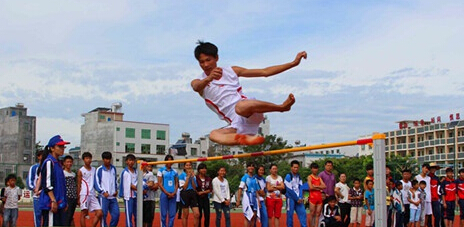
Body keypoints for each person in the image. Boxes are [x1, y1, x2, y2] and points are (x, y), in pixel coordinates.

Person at [191, 41, 307, 146]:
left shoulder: (231, 71)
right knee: (213, 135)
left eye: (208, 60)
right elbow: (196, 87)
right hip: (235, 125)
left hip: (249, 112)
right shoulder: (200, 82)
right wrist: (209, 78)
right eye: (201, 62)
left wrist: (293, 63)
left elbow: (264, 72)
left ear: (216, 58)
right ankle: (244, 139)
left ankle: (281, 107)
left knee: (241, 106)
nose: (205, 65)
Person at [39, 135, 69, 226]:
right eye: (59, 146)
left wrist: (64, 201)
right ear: (52, 148)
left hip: (59, 202)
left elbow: (61, 185)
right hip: (51, 204)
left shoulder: (58, 163)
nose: (62, 148)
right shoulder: (49, 162)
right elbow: (47, 184)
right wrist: (53, 201)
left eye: (63, 146)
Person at [94, 151, 120, 227]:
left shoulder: (113, 169)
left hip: (112, 197)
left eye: (109, 159)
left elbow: (115, 180)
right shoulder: (99, 170)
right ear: (103, 159)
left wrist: (116, 190)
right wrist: (102, 192)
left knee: (116, 214)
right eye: (106, 159)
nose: (108, 161)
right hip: (103, 197)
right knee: (103, 215)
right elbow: (96, 183)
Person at [78, 152, 103, 227]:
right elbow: (79, 184)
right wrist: (78, 197)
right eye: (86, 158)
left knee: (99, 213)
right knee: (84, 213)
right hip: (84, 194)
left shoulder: (94, 169)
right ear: (83, 160)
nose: (88, 160)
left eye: (89, 158)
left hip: (92, 194)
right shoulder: (81, 170)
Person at [284, 160, 307, 227]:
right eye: (294, 167)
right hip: (291, 198)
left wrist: (300, 197)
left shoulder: (299, 176)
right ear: (291, 167)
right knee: (290, 215)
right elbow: (289, 189)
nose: (296, 169)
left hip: (298, 198)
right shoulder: (288, 176)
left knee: (303, 213)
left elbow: (301, 187)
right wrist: (296, 198)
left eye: (297, 167)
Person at [157, 155, 179, 227]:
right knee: (163, 213)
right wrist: (166, 192)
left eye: (171, 160)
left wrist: (174, 192)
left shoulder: (175, 171)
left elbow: (176, 182)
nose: (169, 162)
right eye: (168, 160)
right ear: (165, 161)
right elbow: (159, 183)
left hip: (173, 194)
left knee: (172, 214)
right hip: (164, 194)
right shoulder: (161, 170)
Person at [237, 162, 260, 227]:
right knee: (247, 216)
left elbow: (257, 190)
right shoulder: (245, 177)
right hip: (247, 198)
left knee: (253, 216)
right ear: (247, 168)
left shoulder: (255, 178)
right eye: (249, 166)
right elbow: (240, 188)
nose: (251, 167)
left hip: (254, 198)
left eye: (252, 166)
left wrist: (258, 201)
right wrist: (238, 200)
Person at [179, 161, 200, 227]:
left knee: (197, 214)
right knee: (185, 215)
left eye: (190, 165)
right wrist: (188, 177)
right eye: (187, 165)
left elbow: (194, 187)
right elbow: (184, 187)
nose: (188, 166)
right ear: (184, 167)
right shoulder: (181, 175)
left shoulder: (194, 176)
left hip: (193, 194)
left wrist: (192, 178)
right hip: (185, 194)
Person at [119, 154, 137, 227]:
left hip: (136, 196)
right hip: (128, 196)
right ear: (126, 162)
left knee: (137, 215)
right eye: (130, 160)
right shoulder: (125, 172)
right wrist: (138, 188)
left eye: (133, 160)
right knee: (129, 215)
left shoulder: (136, 171)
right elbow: (129, 185)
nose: (131, 162)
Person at [26, 150, 43, 227]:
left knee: (47, 215)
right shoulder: (34, 168)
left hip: (46, 194)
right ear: (38, 157)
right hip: (37, 196)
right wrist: (35, 190)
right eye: (41, 155)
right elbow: (29, 181)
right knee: (38, 215)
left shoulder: (49, 167)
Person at [308, 162, 325, 227]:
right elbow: (311, 187)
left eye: (316, 168)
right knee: (312, 214)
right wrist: (319, 187)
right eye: (314, 168)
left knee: (318, 214)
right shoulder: (310, 177)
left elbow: (324, 186)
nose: (315, 170)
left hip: (319, 197)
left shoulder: (319, 178)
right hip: (313, 197)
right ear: (311, 169)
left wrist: (316, 187)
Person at [63, 155, 78, 227]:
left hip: (73, 197)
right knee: (66, 216)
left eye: (70, 162)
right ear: (64, 163)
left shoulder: (73, 174)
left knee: (71, 216)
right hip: (67, 197)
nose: (69, 163)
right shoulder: (62, 173)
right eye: (67, 162)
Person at [142, 163, 158, 227]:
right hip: (141, 199)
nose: (149, 168)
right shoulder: (138, 174)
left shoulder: (152, 175)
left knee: (149, 218)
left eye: (150, 167)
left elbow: (155, 186)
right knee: (142, 218)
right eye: (148, 166)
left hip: (150, 199)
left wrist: (146, 186)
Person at [428, 162, 441, 227]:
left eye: (434, 168)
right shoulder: (427, 178)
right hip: (429, 199)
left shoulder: (437, 178)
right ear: (429, 169)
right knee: (429, 215)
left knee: (438, 214)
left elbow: (439, 188)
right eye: (431, 168)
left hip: (435, 199)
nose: (433, 170)